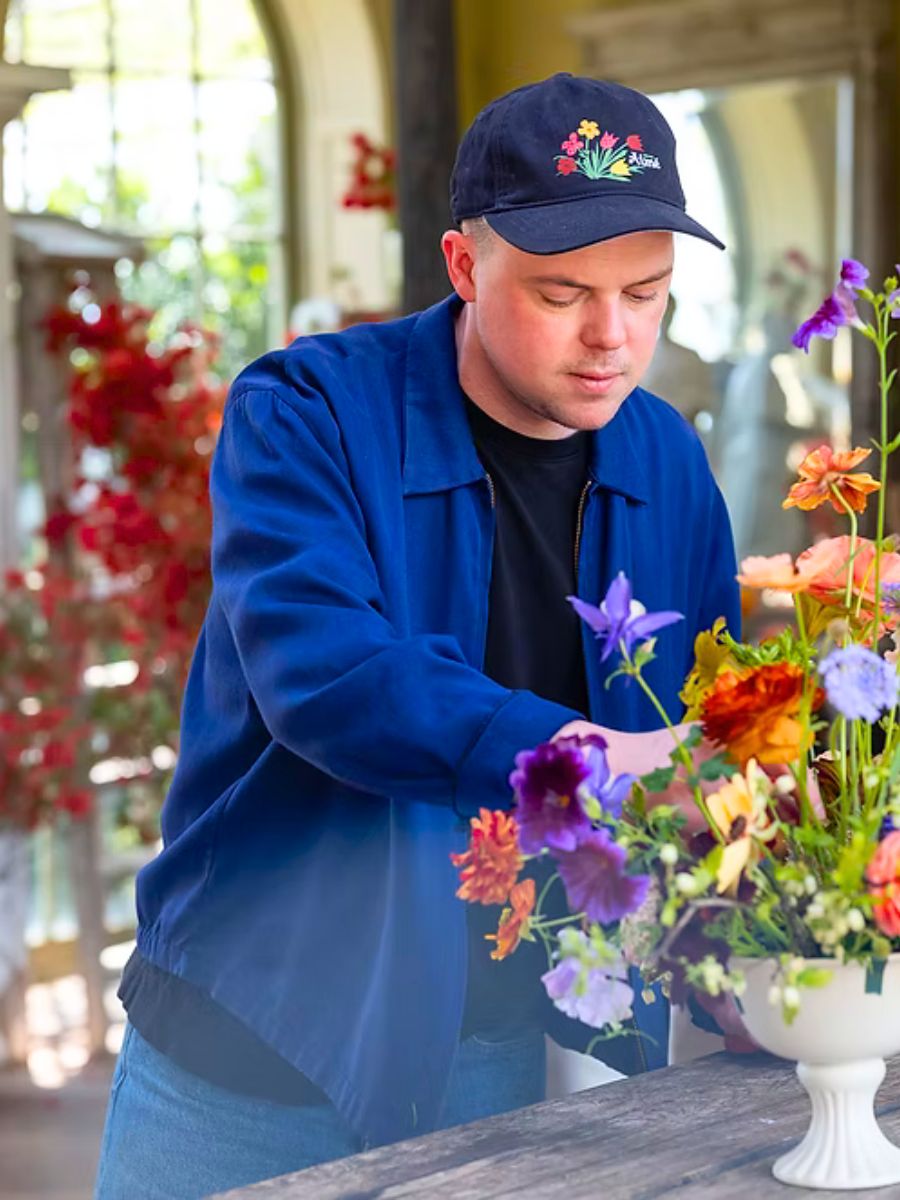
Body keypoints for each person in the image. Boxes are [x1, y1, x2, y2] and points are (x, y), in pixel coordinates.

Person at [95, 72, 740, 1199]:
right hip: (247, 1051)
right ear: (460, 265)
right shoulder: (302, 413)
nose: (611, 339)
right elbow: (329, 679)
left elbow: (709, 737)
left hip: (479, 1057)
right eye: (560, 293)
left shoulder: (668, 458)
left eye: (648, 293)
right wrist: (595, 763)